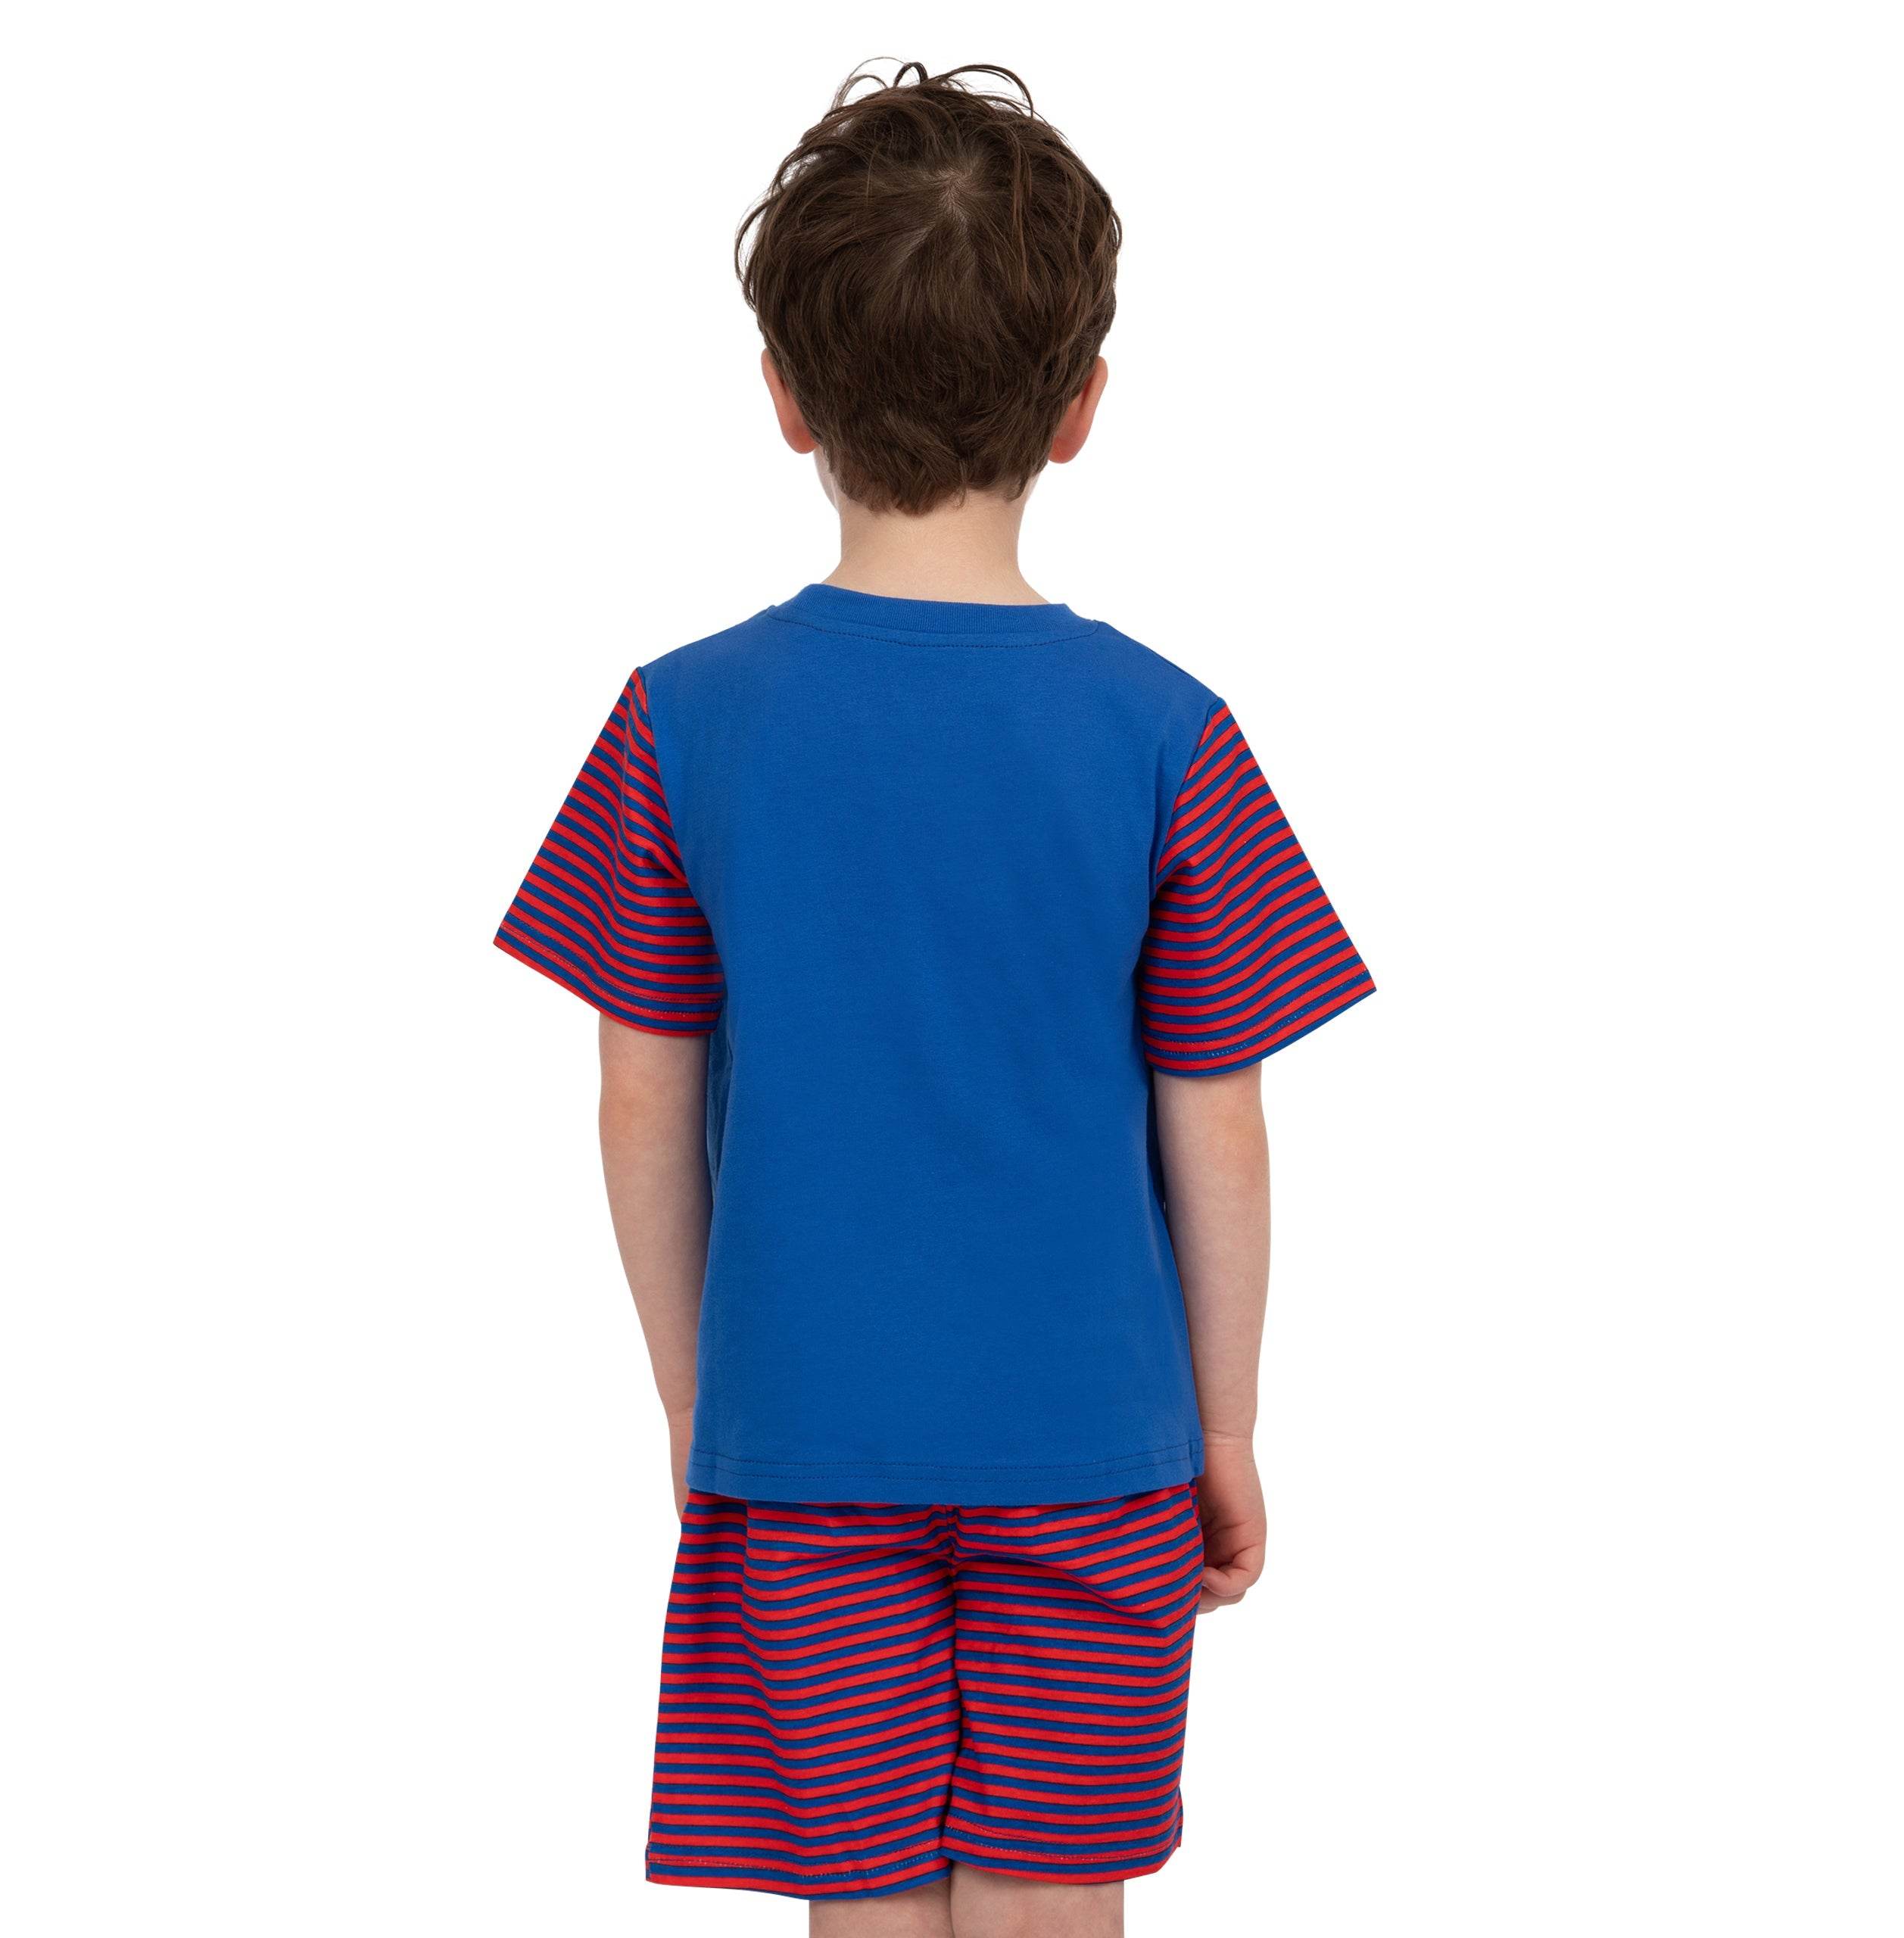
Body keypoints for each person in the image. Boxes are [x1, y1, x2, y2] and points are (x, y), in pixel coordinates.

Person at [495, 62, 1373, 1938]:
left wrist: (696, 1399)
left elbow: (638, 1096)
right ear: (1079, 408)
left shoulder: (676, 721)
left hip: (802, 1428)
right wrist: (1225, 1428)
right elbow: (1216, 1115)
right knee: (1055, 1892)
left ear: (784, 396)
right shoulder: (1168, 731)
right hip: (1095, 1437)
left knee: (862, 1902)